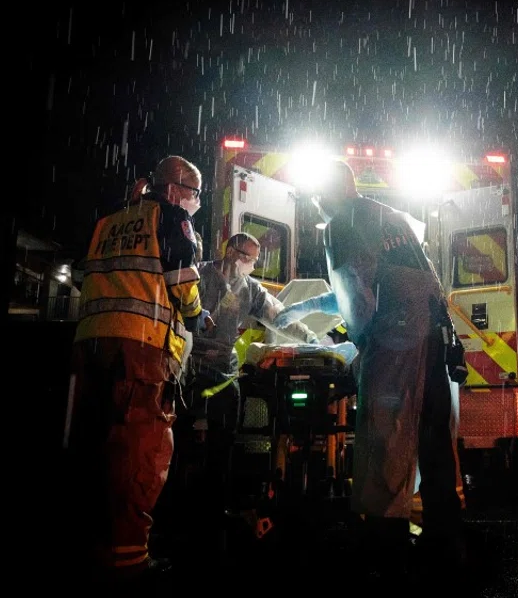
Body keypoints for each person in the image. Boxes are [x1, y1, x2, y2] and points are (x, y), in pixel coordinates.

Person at [272, 161, 466, 581]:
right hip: (433, 335)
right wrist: (305, 307)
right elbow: (379, 281)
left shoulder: (342, 222)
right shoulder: (387, 216)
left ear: (328, 194)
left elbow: (357, 296)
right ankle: (444, 537)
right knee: (434, 439)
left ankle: (384, 541)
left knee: (385, 434)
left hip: (396, 340)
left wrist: (360, 347)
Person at [66, 155, 214, 582]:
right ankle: (128, 558)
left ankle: (90, 543)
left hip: (90, 346)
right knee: (141, 450)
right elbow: (182, 283)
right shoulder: (169, 218)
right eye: (193, 193)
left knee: (94, 443)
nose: (194, 202)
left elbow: (84, 275)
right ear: (173, 190)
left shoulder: (109, 221)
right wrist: (196, 315)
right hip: (141, 349)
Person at [182, 232, 319, 546]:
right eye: (249, 257)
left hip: (224, 374)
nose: (253, 265)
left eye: (256, 260)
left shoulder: (250, 289)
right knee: (185, 437)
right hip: (191, 367)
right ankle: (182, 504)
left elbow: (279, 317)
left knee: (223, 441)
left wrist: (311, 339)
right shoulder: (199, 275)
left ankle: (216, 507)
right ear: (231, 252)